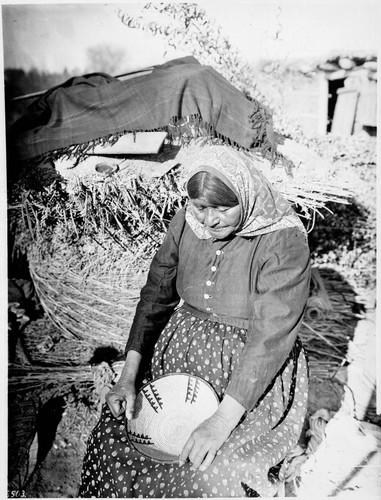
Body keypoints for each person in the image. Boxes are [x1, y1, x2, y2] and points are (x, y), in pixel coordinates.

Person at [79, 145, 311, 498]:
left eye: (222, 208)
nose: (209, 220)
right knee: (113, 444)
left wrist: (219, 422)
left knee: (210, 470)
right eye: (200, 207)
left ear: (246, 198)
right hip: (179, 360)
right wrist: (128, 377)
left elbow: (270, 337)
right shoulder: (187, 221)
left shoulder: (282, 239)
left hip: (248, 377)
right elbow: (156, 297)